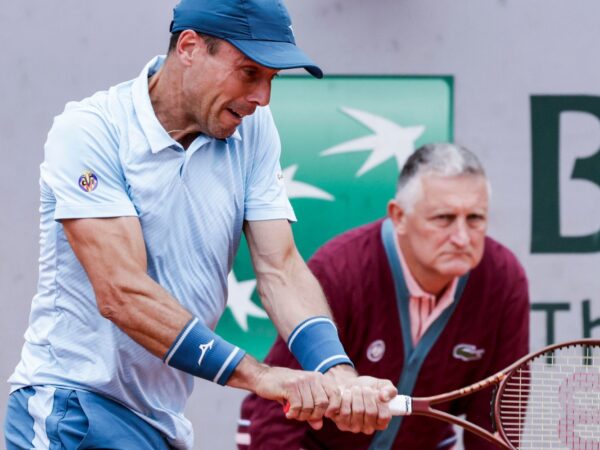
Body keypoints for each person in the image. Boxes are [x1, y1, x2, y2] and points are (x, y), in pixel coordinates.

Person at [4, 0, 398, 449]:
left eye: (272, 80)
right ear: (189, 47)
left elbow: (280, 269)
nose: (262, 98)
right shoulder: (91, 130)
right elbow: (122, 293)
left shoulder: (255, 130)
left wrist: (337, 372)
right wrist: (261, 376)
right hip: (74, 408)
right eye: (249, 72)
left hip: (160, 419)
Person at [237, 143, 530, 450]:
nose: (461, 237)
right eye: (444, 218)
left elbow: (496, 419)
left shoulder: (504, 281)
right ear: (398, 216)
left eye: (475, 219)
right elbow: (276, 410)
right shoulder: (341, 270)